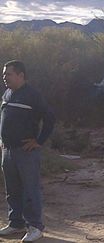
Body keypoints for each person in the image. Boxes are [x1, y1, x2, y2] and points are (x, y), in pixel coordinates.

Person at [0, 60, 55, 242]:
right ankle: (16, 223)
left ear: (21, 75)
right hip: (7, 151)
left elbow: (49, 118)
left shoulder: (32, 95)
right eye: (4, 74)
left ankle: (35, 227)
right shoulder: (8, 93)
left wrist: (38, 141)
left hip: (26, 152)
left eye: (8, 74)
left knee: (30, 190)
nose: (4, 77)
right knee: (12, 189)